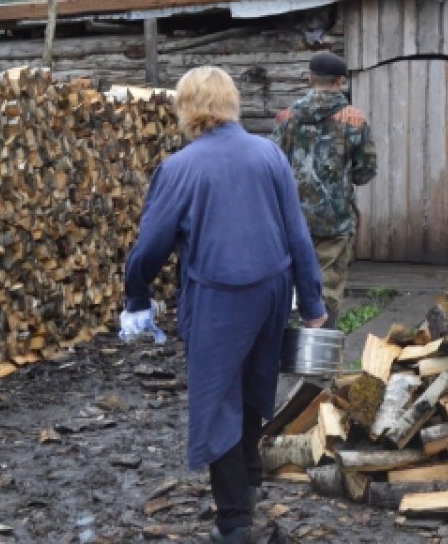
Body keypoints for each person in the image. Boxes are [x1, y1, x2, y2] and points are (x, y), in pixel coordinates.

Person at [123, 65, 327, 544]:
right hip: (272, 293)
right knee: (254, 391)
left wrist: (137, 295)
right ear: (230, 102)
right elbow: (298, 235)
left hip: (217, 297)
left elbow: (151, 246)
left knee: (217, 406)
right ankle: (249, 486)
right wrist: (313, 302)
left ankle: (234, 523)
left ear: (188, 108)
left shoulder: (180, 167)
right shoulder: (269, 154)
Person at [271, 51, 377, 329]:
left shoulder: (286, 118)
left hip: (291, 217)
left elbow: (272, 165)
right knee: (328, 283)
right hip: (336, 219)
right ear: (341, 81)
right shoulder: (355, 121)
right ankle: (319, 353)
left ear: (309, 78)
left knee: (289, 277)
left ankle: (284, 344)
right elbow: (365, 172)